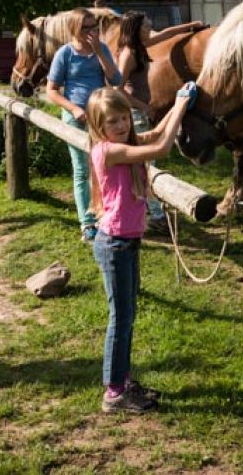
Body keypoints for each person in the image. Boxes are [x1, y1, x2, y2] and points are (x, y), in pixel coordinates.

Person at [86, 84, 196, 414]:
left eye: (123, 119)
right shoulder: (108, 151)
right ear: (98, 126)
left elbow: (159, 132)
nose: (121, 126)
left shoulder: (125, 143)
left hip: (127, 242)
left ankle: (121, 379)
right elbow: (162, 147)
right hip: (114, 244)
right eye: (112, 122)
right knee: (120, 319)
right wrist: (178, 107)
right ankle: (114, 393)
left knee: (128, 316)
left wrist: (180, 103)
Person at [116, 10, 205, 234]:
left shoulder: (141, 45)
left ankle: (145, 207)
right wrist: (142, 106)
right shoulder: (128, 53)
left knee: (145, 164)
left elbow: (165, 33)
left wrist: (190, 26)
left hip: (140, 112)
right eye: (146, 25)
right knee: (147, 165)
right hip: (135, 115)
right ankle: (155, 214)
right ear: (136, 29)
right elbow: (117, 90)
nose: (150, 28)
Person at [46, 8, 122, 243]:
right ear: (74, 29)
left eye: (94, 27)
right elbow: (51, 91)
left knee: (103, 169)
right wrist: (74, 109)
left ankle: (105, 214)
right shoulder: (65, 53)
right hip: (75, 118)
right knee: (81, 170)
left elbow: (116, 79)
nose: (92, 32)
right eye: (86, 27)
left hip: (99, 117)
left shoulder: (102, 48)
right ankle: (87, 224)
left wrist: (99, 51)